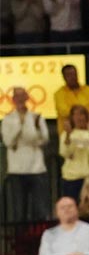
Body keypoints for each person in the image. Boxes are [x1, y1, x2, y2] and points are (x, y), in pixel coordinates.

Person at [2, 90, 50, 222]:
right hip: (17, 170)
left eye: (22, 96)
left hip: (37, 169)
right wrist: (20, 123)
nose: (20, 99)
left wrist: (36, 129)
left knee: (40, 209)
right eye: (17, 97)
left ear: (27, 98)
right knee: (19, 211)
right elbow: (9, 141)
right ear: (13, 100)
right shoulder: (8, 119)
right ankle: (20, 235)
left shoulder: (36, 117)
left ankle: (39, 233)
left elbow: (44, 140)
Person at [58, 104, 89, 198]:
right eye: (75, 115)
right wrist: (68, 135)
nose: (78, 117)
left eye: (81, 114)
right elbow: (65, 153)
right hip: (72, 177)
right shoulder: (66, 135)